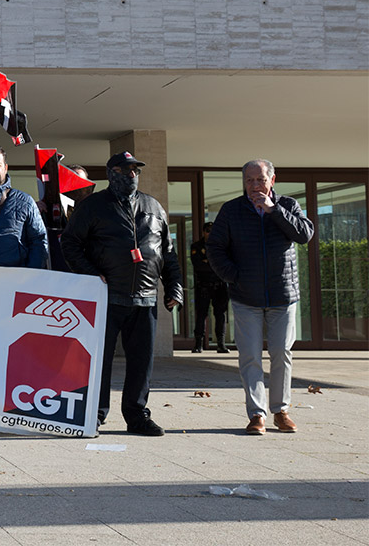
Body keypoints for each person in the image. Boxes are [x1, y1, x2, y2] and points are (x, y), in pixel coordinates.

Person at [61, 151, 183, 436]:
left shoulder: (153, 206)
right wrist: (91, 275)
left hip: (145, 298)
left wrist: (174, 286)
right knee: (99, 361)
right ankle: (94, 415)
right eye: (124, 169)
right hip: (107, 297)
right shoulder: (92, 206)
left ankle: (137, 415)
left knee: (142, 362)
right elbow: (70, 244)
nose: (131, 174)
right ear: (110, 173)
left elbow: (167, 252)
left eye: (134, 170)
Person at [208, 159, 315, 436]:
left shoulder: (288, 206)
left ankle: (280, 411)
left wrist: (273, 210)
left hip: (283, 295)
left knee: (281, 353)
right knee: (250, 357)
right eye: (249, 181)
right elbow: (215, 248)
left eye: (260, 180)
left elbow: (304, 235)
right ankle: (257, 415)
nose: (255, 186)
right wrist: (234, 276)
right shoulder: (231, 210)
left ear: (272, 180)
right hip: (246, 297)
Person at [40, 164, 92, 272]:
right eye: (71, 180)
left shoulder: (98, 211)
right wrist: (33, 212)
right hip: (56, 275)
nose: (76, 187)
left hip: (89, 276)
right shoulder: (47, 210)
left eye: (80, 182)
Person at [189, 222, 230, 354]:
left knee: (220, 315)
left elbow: (226, 265)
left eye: (212, 230)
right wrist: (214, 265)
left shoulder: (223, 245)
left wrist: (208, 263)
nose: (210, 233)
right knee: (201, 315)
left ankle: (221, 344)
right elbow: (198, 266)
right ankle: (198, 344)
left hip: (220, 285)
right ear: (203, 232)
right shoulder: (197, 246)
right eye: (207, 230)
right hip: (204, 285)